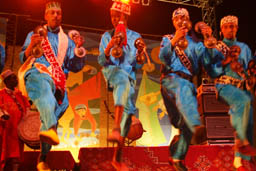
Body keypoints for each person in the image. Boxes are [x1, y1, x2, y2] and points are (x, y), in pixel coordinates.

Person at [19, 1, 86, 170]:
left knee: (63, 104)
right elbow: (23, 57)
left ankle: (43, 157)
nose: (56, 15)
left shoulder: (68, 41)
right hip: (38, 73)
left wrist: (78, 50)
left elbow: (76, 67)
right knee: (45, 86)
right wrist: (31, 47)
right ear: (45, 16)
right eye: (52, 13)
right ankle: (50, 128)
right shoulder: (35, 34)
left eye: (59, 13)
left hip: (58, 83)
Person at [158, 8, 216, 170]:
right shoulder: (168, 38)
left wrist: (208, 37)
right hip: (170, 81)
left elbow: (209, 64)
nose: (181, 20)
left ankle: (177, 159)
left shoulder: (196, 45)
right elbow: (162, 57)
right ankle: (196, 125)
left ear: (189, 21)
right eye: (178, 18)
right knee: (190, 122)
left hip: (187, 85)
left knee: (185, 128)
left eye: (184, 17)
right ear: (173, 22)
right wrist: (176, 38)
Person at [98, 0, 146, 170]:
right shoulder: (107, 36)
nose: (114, 19)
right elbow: (101, 61)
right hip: (114, 73)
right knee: (122, 81)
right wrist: (109, 46)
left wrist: (141, 51)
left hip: (129, 79)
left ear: (125, 17)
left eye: (117, 16)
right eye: (112, 16)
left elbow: (140, 64)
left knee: (129, 115)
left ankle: (116, 158)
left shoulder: (135, 36)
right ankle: (116, 128)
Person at [213, 15, 256, 170]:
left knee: (250, 120)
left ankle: (240, 161)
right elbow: (212, 70)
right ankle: (241, 147)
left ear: (237, 28)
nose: (230, 29)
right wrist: (227, 60)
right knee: (243, 102)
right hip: (225, 85)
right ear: (222, 29)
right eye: (227, 26)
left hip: (242, 87)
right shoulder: (218, 47)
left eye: (233, 26)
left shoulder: (245, 47)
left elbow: (250, 70)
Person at [0, 70, 30, 171]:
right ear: (6, 81)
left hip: (18, 131)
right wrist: (2, 115)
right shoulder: (1, 94)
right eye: (13, 78)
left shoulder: (20, 95)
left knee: (16, 156)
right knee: (4, 154)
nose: (16, 79)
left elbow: (27, 109)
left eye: (15, 77)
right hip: (6, 131)